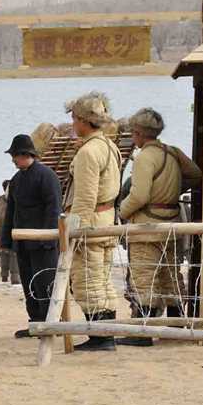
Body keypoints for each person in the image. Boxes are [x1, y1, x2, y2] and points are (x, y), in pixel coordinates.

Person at [117, 108, 202, 347]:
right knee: (170, 276)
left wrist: (121, 212)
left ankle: (142, 333)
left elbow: (139, 195)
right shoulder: (172, 152)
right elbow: (196, 175)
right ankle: (175, 326)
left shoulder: (145, 157)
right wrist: (172, 191)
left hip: (146, 226)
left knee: (143, 277)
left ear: (138, 133)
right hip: (172, 222)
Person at [63, 92, 122, 351]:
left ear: (84, 121)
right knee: (102, 279)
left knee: (87, 279)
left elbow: (85, 197)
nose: (73, 124)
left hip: (92, 223)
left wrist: (75, 230)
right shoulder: (109, 145)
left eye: (75, 119)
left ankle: (101, 336)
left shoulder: (89, 152)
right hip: (106, 220)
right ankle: (105, 333)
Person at [1, 135, 62, 338]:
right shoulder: (16, 180)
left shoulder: (47, 176)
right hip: (23, 243)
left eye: (14, 156)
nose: (13, 160)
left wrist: (48, 238)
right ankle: (36, 322)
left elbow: (54, 209)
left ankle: (52, 323)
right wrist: (6, 241)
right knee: (29, 284)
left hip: (44, 243)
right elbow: (11, 212)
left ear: (24, 154)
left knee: (46, 283)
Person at [0, 180, 20, 285]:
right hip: (2, 230)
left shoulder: (12, 199)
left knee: (12, 252)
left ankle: (13, 276)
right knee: (5, 252)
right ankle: (5, 275)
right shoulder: (0, 200)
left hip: (10, 229)